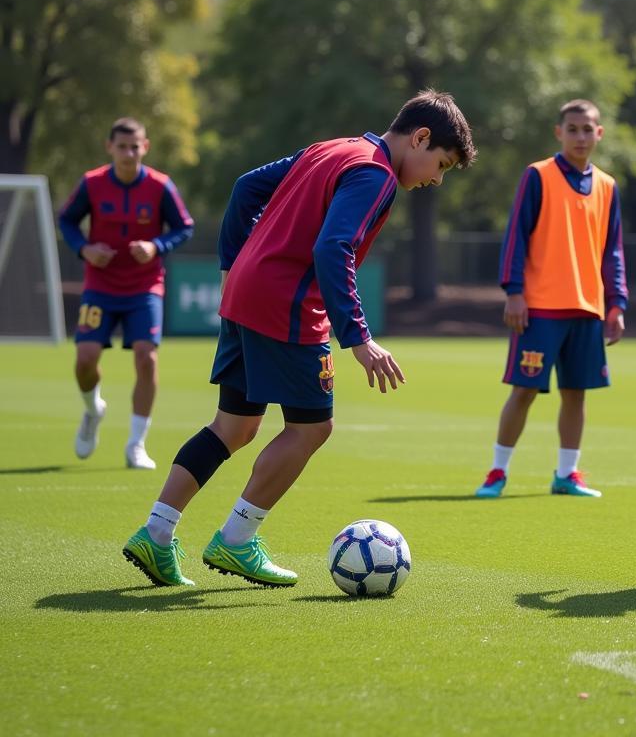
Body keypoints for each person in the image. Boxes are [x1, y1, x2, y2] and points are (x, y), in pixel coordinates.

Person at [122, 90, 475, 587]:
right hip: (285, 306)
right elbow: (334, 247)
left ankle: (156, 534)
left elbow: (245, 188)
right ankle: (238, 539)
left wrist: (232, 264)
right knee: (312, 428)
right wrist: (359, 338)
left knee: (235, 426)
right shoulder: (377, 174)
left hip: (247, 294)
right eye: (440, 164)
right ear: (420, 138)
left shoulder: (331, 148)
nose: (435, 179)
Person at [474, 98, 627, 500]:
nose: (580, 135)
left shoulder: (608, 186)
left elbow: (613, 251)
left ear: (599, 133)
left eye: (587, 128)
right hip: (539, 308)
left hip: (588, 309)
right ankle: (497, 472)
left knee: (576, 394)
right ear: (559, 132)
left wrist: (617, 304)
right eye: (572, 128)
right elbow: (517, 236)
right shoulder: (537, 175)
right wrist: (514, 292)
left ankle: (566, 474)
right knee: (523, 391)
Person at [58, 118, 194, 470]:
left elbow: (184, 227)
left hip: (144, 286)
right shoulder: (91, 183)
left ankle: (136, 444)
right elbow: (67, 222)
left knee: (146, 357)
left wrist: (156, 244)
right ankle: (93, 410)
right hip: (100, 287)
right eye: (122, 146)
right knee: (85, 358)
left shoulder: (161, 186)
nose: (129, 153)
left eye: (135, 146)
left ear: (145, 147)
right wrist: (84, 248)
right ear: (110, 148)